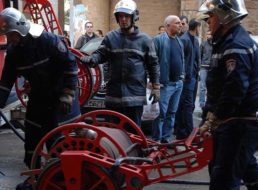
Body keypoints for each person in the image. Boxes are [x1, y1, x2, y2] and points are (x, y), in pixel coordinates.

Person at [188, 0, 258, 190]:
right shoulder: (225, 42)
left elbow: (234, 91)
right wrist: (209, 116)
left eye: (210, 16)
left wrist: (213, 119)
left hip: (242, 121)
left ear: (224, 17)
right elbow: (219, 86)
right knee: (221, 169)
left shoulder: (237, 46)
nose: (207, 21)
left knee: (225, 178)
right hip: (233, 119)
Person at [0, 7, 81, 190]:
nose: (9, 40)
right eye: (7, 36)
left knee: (58, 140)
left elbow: (70, 65)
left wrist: (68, 93)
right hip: (39, 96)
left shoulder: (47, 40)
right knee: (32, 137)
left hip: (61, 98)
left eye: (11, 35)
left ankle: (60, 180)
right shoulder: (14, 52)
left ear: (20, 29)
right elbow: (6, 80)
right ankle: (34, 177)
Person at [80, 0, 160, 126]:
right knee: (114, 134)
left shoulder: (145, 40)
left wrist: (156, 88)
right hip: (114, 97)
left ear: (134, 17)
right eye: (120, 16)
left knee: (134, 135)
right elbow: (101, 54)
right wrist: (92, 59)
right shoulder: (110, 37)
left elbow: (153, 65)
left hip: (135, 98)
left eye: (126, 16)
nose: (123, 19)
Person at [151, 15, 184, 143]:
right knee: (161, 115)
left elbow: (182, 59)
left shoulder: (179, 40)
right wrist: (155, 82)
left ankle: (166, 139)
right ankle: (156, 141)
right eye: (177, 23)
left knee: (172, 113)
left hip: (177, 84)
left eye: (180, 23)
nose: (180, 25)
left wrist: (182, 76)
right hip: (165, 85)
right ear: (168, 25)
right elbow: (152, 62)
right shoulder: (158, 40)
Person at [174, 18, 201, 140]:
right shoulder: (183, 40)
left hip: (194, 77)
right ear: (196, 28)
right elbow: (181, 59)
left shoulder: (195, 40)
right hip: (186, 79)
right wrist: (184, 75)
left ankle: (184, 132)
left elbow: (196, 58)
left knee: (187, 105)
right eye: (200, 27)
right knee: (187, 105)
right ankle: (187, 132)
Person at [198, 30, 212, 112]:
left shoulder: (215, 44)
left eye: (209, 34)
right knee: (202, 86)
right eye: (207, 34)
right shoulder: (203, 44)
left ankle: (209, 103)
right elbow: (199, 55)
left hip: (212, 67)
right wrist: (200, 65)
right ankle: (202, 104)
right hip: (204, 67)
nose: (208, 36)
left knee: (211, 87)